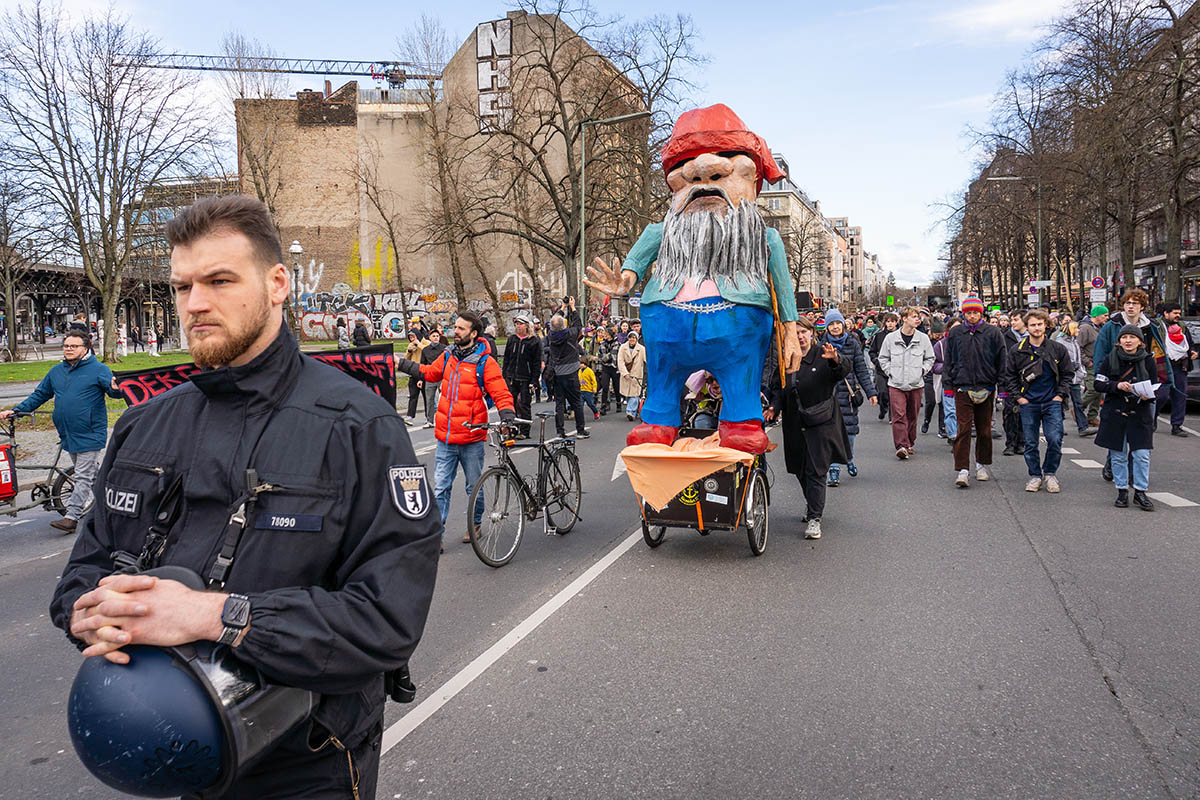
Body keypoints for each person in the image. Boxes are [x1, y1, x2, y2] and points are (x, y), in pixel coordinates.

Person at [49, 195, 439, 797]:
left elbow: (385, 621)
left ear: (278, 283)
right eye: (182, 287)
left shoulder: (358, 426)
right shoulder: (143, 425)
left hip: (307, 762)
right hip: (177, 758)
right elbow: (83, 574)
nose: (196, 303)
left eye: (220, 280)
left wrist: (209, 613)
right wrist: (90, 614)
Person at [398, 310, 516, 544]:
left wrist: (507, 416)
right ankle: (437, 535)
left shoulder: (485, 362)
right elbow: (431, 374)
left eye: (461, 328)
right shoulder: (449, 355)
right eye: (456, 327)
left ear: (473, 333)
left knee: (474, 487)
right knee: (441, 488)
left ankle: (475, 525)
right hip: (446, 437)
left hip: (472, 437)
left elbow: (500, 391)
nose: (456, 331)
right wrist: (401, 364)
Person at [1, 331, 123, 532]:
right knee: (91, 476)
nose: (68, 349)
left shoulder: (99, 369)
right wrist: (16, 411)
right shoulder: (57, 371)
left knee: (83, 476)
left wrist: (117, 387)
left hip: (90, 432)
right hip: (67, 432)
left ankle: (72, 516)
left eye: (73, 346)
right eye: (66, 346)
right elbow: (40, 395)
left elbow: (114, 393)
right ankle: (112, 507)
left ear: (85, 348)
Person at [766, 317, 851, 540]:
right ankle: (811, 503)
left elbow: (841, 371)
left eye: (804, 332)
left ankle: (815, 518)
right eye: (796, 333)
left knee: (816, 471)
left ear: (812, 333)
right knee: (800, 470)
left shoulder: (823, 355)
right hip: (794, 424)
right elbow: (777, 388)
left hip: (820, 424)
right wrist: (774, 406)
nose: (801, 336)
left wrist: (836, 360)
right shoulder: (786, 360)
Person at [1092, 289, 1175, 479]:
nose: (1130, 306)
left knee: (1142, 427)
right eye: (1127, 303)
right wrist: (1102, 379)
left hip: (1144, 383)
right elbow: (1100, 354)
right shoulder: (1111, 326)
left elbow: (1160, 353)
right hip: (1117, 383)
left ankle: (1133, 470)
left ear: (1142, 307)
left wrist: (1162, 383)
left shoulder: (1152, 326)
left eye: (1135, 303)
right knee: (1116, 427)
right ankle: (1113, 460)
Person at [1004, 309, 1072, 493]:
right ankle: (1035, 475)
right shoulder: (1017, 351)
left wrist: (1060, 396)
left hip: (1052, 402)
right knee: (1031, 442)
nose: (1036, 328)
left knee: (1055, 438)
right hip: (1029, 403)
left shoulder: (1057, 349)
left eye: (1040, 324)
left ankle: (1050, 473)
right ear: (1027, 327)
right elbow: (1009, 376)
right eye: (1033, 325)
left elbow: (1067, 374)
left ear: (1045, 325)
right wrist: (1019, 397)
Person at [944, 295, 1008, 488]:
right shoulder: (955, 334)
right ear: (963, 314)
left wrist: (1002, 389)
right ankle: (962, 469)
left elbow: (1002, 361)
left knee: (985, 430)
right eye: (969, 313)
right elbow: (949, 360)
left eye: (976, 313)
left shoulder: (993, 333)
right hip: (962, 386)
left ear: (982, 314)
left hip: (986, 386)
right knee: (963, 429)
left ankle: (981, 464)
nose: (972, 316)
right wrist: (948, 387)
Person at [1095, 324, 1157, 511]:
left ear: (1140, 341)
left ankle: (1140, 492)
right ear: (1119, 341)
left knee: (1142, 455)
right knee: (1118, 454)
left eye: (1132, 337)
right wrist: (1116, 386)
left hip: (1140, 412)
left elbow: (1157, 385)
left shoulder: (1148, 360)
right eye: (1124, 338)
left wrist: (1149, 394)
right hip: (1115, 412)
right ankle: (1122, 491)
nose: (1128, 341)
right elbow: (1098, 383)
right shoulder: (1110, 359)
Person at [821, 309, 876, 486]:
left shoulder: (852, 344)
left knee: (850, 432)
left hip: (849, 394)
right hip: (828, 395)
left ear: (843, 325)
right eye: (831, 324)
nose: (835, 327)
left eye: (838, 323)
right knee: (831, 433)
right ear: (827, 327)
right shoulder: (821, 345)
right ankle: (834, 470)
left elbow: (861, 369)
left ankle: (849, 457)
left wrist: (871, 392)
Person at [876, 307, 934, 459]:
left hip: (916, 383)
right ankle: (901, 445)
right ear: (904, 319)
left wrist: (922, 370)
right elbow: (883, 358)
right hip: (896, 384)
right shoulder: (891, 338)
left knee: (912, 415)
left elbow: (930, 358)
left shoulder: (923, 338)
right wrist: (891, 371)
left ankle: (909, 442)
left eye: (918, 317)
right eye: (914, 316)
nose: (918, 319)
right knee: (899, 415)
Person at [546, 298, 589, 439]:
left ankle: (560, 431)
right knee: (576, 402)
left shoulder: (551, 336)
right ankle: (580, 430)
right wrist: (573, 307)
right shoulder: (570, 335)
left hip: (557, 373)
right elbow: (578, 324)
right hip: (571, 372)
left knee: (559, 403)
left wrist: (563, 307)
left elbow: (555, 320)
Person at [1156, 302, 1196, 436]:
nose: (1178, 316)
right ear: (1166, 313)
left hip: (1180, 366)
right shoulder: (1157, 326)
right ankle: (1153, 418)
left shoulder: (1183, 327)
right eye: (1175, 313)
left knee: (1180, 396)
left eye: (1179, 313)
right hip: (1162, 365)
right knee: (1161, 395)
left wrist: (1193, 352)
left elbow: (1189, 343)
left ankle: (1177, 425)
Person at [501, 313, 542, 439]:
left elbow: (536, 363)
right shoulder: (512, 339)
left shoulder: (534, 341)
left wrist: (534, 381)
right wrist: (504, 375)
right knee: (511, 404)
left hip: (526, 377)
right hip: (512, 376)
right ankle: (513, 429)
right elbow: (507, 358)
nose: (518, 326)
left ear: (526, 326)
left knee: (524, 404)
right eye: (516, 324)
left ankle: (525, 431)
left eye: (520, 324)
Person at [1056, 320, 1095, 436]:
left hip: (1075, 377)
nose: (1079, 330)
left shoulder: (1074, 342)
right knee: (1061, 404)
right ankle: (1058, 427)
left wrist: (1080, 371)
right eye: (1076, 328)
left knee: (1078, 403)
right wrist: (1069, 366)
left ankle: (1083, 427)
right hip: (1065, 378)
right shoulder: (1061, 342)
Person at [1076, 304, 1108, 431]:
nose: (1107, 317)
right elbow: (1078, 346)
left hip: (1100, 363)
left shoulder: (1100, 327)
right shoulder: (1085, 328)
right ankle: (1078, 408)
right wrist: (1087, 362)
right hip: (1090, 363)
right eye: (1105, 315)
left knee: (1099, 389)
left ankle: (1092, 416)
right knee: (1093, 389)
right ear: (1097, 316)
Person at [868, 312, 898, 420]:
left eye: (892, 322)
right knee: (882, 392)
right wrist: (876, 361)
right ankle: (883, 407)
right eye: (888, 322)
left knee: (892, 394)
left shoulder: (899, 335)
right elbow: (872, 351)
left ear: (896, 323)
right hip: (881, 369)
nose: (890, 324)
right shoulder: (879, 336)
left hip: (895, 369)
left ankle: (891, 415)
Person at [922, 319, 946, 435]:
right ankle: (927, 420)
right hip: (929, 375)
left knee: (942, 402)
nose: (939, 337)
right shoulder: (926, 341)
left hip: (941, 375)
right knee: (930, 401)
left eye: (941, 335)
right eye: (937, 334)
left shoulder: (944, 343)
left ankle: (942, 427)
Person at [419, 329, 446, 428]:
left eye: (437, 336)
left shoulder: (444, 349)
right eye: (433, 336)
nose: (435, 338)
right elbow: (422, 364)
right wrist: (420, 379)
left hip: (442, 377)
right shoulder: (425, 350)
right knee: (429, 399)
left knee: (444, 399)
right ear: (429, 338)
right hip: (429, 377)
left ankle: (445, 419)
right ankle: (429, 420)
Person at [618, 331, 646, 421]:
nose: (632, 339)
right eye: (630, 337)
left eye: (634, 338)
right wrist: (625, 373)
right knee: (628, 394)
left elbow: (647, 360)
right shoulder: (623, 347)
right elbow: (620, 361)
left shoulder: (641, 349)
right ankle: (634, 410)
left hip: (636, 374)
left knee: (634, 394)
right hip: (626, 374)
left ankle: (630, 412)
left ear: (637, 339)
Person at [403, 329, 429, 424]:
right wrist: (409, 351)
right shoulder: (411, 345)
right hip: (413, 372)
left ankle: (428, 416)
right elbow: (406, 359)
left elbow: (428, 352)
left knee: (426, 396)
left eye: (413, 337)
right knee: (413, 395)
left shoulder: (426, 343)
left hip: (424, 371)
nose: (412, 339)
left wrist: (419, 344)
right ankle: (410, 416)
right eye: (410, 338)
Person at [579, 355, 599, 421]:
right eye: (580, 364)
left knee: (590, 403)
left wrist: (594, 388)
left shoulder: (589, 371)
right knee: (580, 405)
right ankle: (580, 417)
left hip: (588, 391)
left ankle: (596, 412)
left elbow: (594, 380)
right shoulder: (579, 371)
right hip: (581, 390)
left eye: (582, 364)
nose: (581, 365)